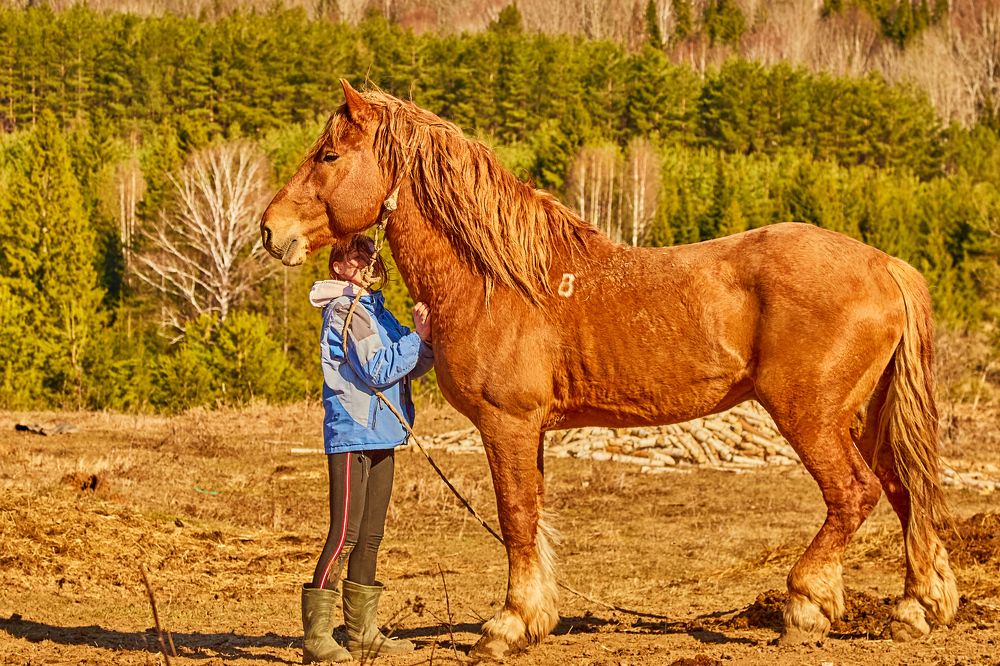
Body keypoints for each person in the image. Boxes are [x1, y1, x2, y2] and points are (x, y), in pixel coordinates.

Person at [301, 235, 434, 663]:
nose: (363, 260)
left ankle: (361, 633)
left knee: (372, 537)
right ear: (338, 268)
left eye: (366, 254)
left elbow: (412, 359)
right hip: (352, 433)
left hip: (383, 434)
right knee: (345, 534)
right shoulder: (347, 309)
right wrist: (417, 338)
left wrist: (426, 339)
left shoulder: (376, 308)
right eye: (352, 256)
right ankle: (317, 638)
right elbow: (379, 368)